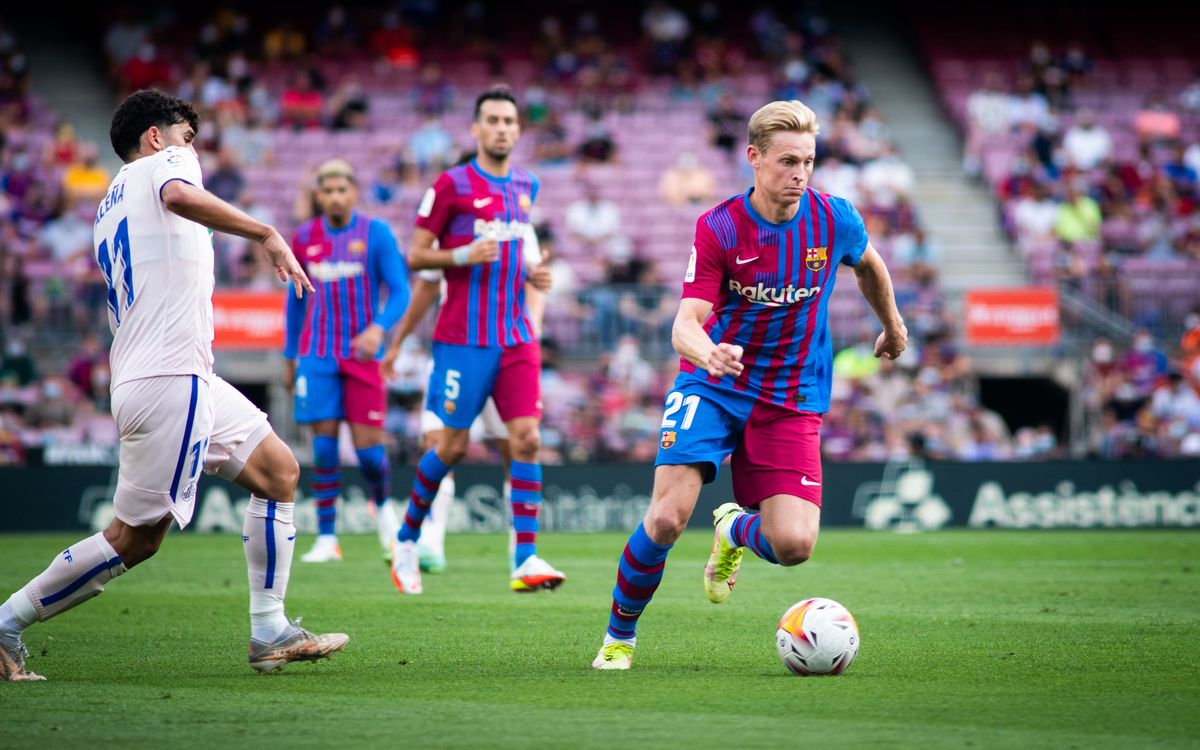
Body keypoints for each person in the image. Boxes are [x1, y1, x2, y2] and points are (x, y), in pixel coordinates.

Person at [0, 89, 347, 682]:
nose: (193, 150)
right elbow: (180, 194)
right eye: (187, 137)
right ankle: (6, 622)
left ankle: (270, 630)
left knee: (278, 472)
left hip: (176, 374)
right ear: (156, 137)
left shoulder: (110, 203)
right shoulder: (164, 165)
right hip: (168, 377)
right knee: (133, 540)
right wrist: (265, 232)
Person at [590, 100, 907, 670]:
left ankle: (734, 528)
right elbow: (684, 324)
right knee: (666, 518)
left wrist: (893, 324)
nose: (800, 174)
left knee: (795, 546)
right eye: (788, 161)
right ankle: (619, 638)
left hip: (791, 395)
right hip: (715, 383)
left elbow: (869, 265)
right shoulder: (719, 226)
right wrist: (708, 354)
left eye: (808, 161)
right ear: (754, 158)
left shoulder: (834, 218)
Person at [389, 87, 562, 595]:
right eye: (493, 120)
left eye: (509, 121)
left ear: (518, 129)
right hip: (463, 339)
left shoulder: (527, 184)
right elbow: (417, 256)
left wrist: (534, 275)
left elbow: (516, 252)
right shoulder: (451, 184)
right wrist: (463, 255)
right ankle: (406, 539)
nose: (502, 128)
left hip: (516, 337)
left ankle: (525, 558)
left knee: (527, 439)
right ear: (476, 128)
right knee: (451, 447)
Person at [284, 159, 411, 563]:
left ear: (353, 192)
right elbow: (295, 300)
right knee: (323, 449)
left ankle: (385, 513)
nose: (336, 197)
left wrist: (378, 329)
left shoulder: (376, 233)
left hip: (362, 355)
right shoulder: (304, 237)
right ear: (319, 196)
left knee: (369, 453)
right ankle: (327, 538)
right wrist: (290, 355)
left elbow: (401, 291)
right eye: (328, 191)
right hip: (317, 355)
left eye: (342, 190)